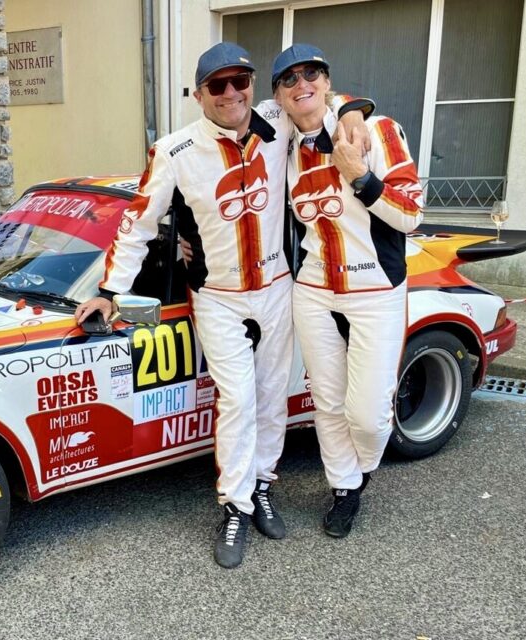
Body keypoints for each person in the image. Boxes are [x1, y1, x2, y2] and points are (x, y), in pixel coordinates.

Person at [74, 42, 373, 569]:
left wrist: (352, 111)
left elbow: (319, 98)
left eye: (241, 81)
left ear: (253, 85)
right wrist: (110, 291)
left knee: (272, 396)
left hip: (277, 287)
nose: (231, 93)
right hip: (217, 297)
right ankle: (235, 505)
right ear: (199, 95)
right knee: (236, 399)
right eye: (218, 85)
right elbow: (138, 224)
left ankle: (262, 486)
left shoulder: (277, 119)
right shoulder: (174, 151)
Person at [272, 44, 423, 537]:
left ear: (327, 80)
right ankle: (344, 489)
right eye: (289, 79)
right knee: (327, 401)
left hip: (376, 286)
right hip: (314, 289)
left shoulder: (377, 130)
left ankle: (362, 469)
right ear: (279, 96)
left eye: (311, 73)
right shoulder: (283, 144)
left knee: (369, 415)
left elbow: (411, 215)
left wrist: (360, 175)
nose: (301, 84)